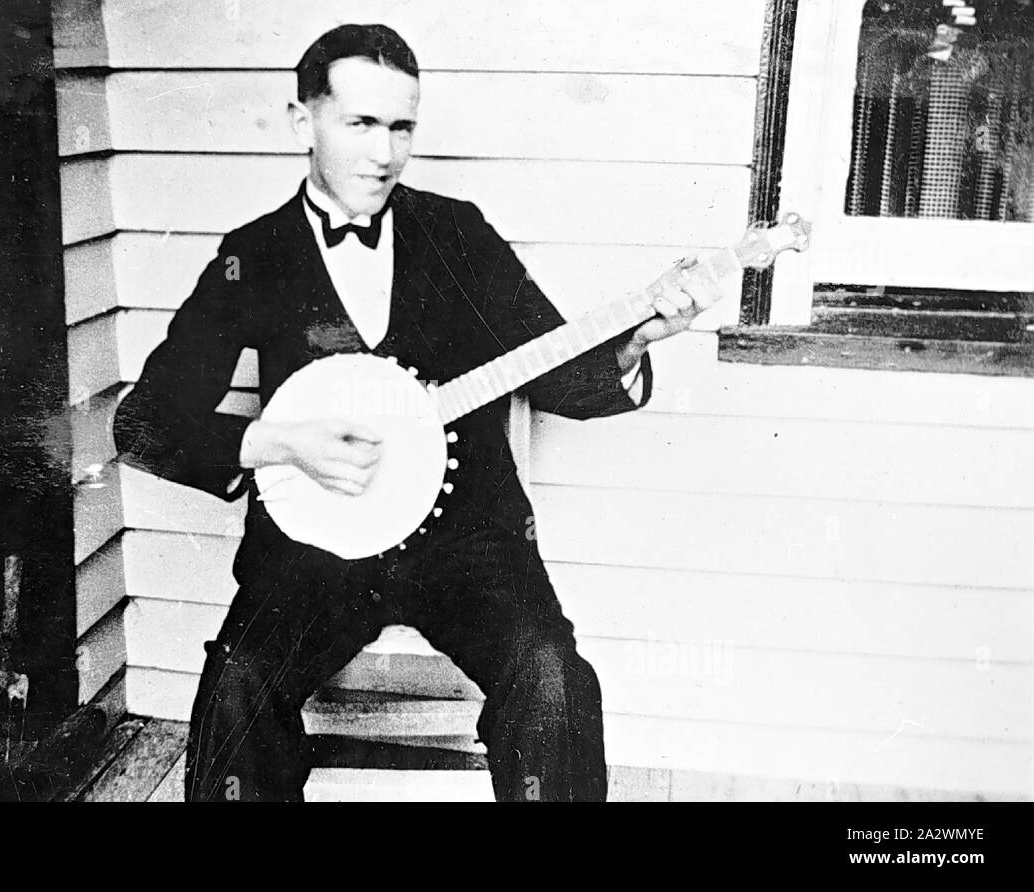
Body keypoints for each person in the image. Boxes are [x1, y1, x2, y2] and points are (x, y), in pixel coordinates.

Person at [113, 24, 725, 801]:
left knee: (552, 675)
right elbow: (144, 423)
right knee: (238, 681)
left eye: (401, 127)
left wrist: (635, 342)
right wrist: (278, 443)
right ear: (304, 122)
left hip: (466, 540)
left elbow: (557, 372)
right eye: (360, 124)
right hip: (314, 548)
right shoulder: (254, 255)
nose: (383, 153)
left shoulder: (457, 234)